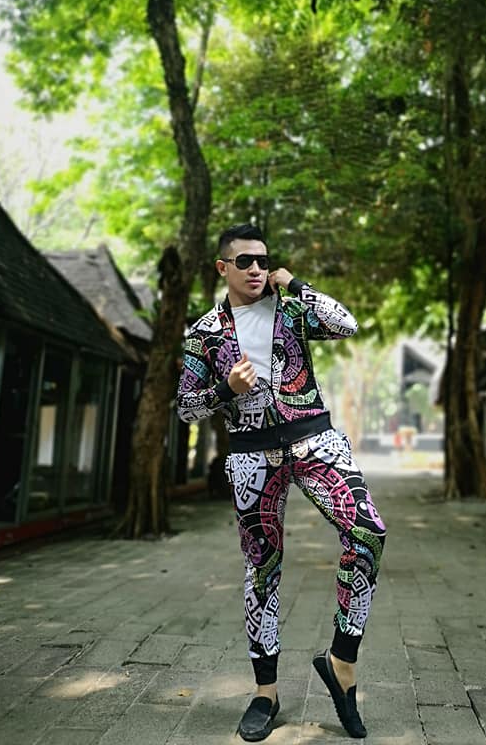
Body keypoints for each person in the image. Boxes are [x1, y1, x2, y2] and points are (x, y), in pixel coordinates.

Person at [177, 224, 386, 742]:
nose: (256, 269)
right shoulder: (204, 332)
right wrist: (225, 389)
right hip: (251, 454)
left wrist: (295, 283)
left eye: (263, 261)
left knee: (368, 531)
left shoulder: (292, 308)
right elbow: (186, 408)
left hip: (315, 439)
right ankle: (265, 694)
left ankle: (341, 660)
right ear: (222, 268)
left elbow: (346, 324)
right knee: (262, 569)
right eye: (244, 261)